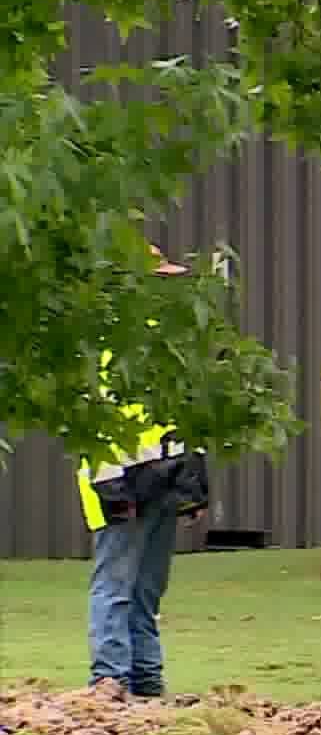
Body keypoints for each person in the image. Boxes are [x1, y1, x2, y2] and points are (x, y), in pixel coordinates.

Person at [78, 244, 212, 700]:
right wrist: (111, 485)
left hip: (163, 478)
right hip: (121, 482)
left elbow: (185, 420)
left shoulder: (167, 347)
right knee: (117, 586)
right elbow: (91, 425)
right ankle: (110, 681)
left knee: (147, 590)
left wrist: (192, 482)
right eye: (155, 280)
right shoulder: (105, 347)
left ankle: (146, 681)